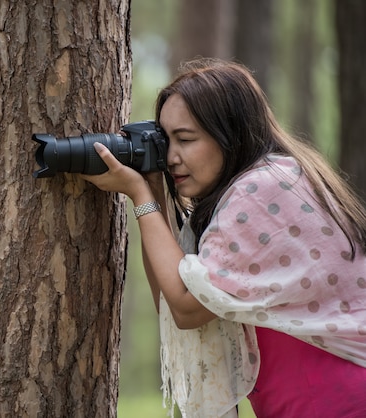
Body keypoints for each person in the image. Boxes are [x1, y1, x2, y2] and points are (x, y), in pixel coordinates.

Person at [81, 58, 366, 417]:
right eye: (165, 141)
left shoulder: (262, 189)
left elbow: (186, 306)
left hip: (334, 403)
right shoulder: (268, 182)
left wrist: (140, 197)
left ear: (230, 134)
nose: (171, 157)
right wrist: (152, 191)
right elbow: (172, 303)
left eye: (185, 139)